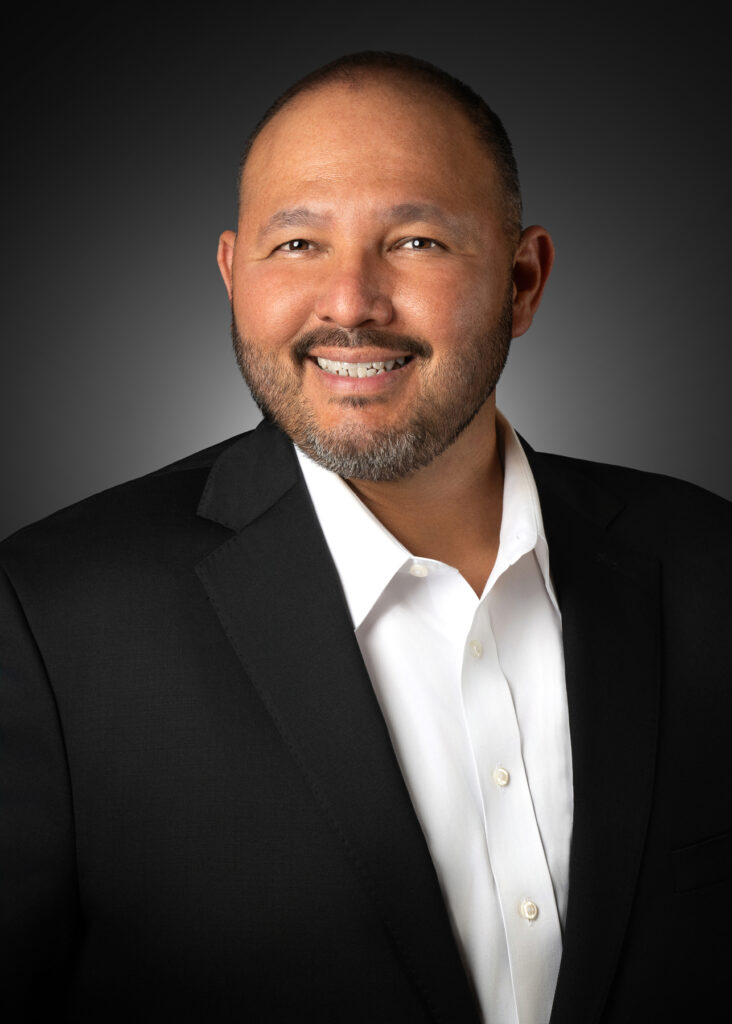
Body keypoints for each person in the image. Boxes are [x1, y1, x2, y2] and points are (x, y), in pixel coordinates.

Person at [1, 51, 729, 1024]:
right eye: (297, 243)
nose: (349, 301)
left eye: (417, 241)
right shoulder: (49, 619)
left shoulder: (709, 564)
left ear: (522, 280)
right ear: (232, 275)